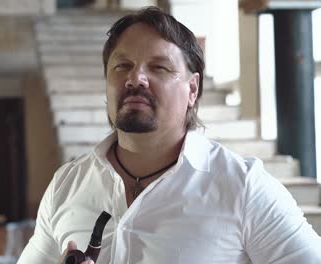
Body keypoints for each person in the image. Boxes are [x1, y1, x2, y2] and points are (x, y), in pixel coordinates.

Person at [18, 6, 321, 264]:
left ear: (193, 89)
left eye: (159, 67)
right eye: (122, 66)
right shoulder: (66, 185)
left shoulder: (244, 188)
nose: (135, 78)